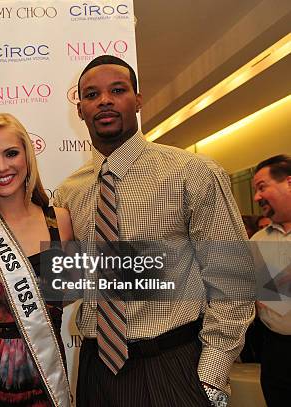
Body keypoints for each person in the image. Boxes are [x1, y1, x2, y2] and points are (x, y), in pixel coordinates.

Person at [53, 55, 254, 407]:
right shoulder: (69, 192)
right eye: (91, 94)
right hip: (96, 372)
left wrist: (211, 374)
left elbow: (234, 277)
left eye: (118, 90)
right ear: (81, 110)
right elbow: (68, 285)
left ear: (138, 100)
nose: (104, 100)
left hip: (175, 364)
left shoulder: (192, 172)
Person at [0, 113, 73, 407]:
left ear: (27, 157)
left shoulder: (61, 221)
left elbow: (68, 297)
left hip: (44, 381)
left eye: (11, 153)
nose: (1, 167)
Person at [250, 154, 291, 407]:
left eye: (262, 187)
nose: (256, 197)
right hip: (277, 352)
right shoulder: (257, 242)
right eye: (255, 190)